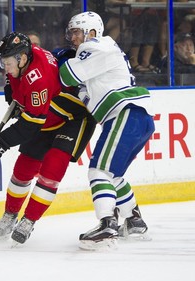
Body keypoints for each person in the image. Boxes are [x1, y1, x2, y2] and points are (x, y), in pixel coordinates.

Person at [0, 32, 96, 244]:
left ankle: (29, 220)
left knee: (51, 170)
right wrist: (12, 92)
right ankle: (10, 214)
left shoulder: (38, 78)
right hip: (45, 115)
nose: (6, 67)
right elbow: (15, 81)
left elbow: (30, 124)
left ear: (22, 58)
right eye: (3, 62)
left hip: (72, 119)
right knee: (23, 168)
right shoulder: (23, 58)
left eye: (9, 62)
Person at [59, 11, 155, 250]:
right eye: (71, 32)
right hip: (137, 117)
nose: (72, 38)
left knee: (98, 171)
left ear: (91, 32)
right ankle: (133, 220)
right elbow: (81, 87)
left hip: (125, 113)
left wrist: (59, 61)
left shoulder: (96, 46)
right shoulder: (103, 51)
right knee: (113, 175)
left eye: (76, 32)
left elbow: (67, 75)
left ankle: (107, 224)